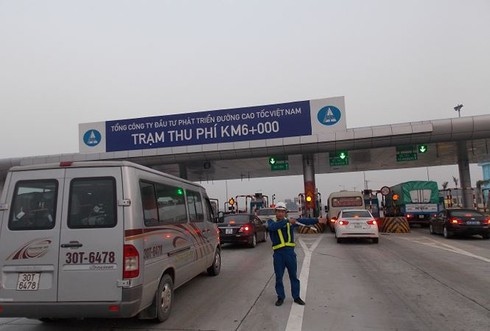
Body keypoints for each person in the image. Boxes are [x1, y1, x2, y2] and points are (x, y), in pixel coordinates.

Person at [267, 202, 306, 306]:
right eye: (278, 211)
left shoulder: (290, 222)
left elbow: (303, 221)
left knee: (293, 276)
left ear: (285, 213)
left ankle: (296, 297)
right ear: (275, 212)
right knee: (279, 276)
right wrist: (287, 221)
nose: (280, 213)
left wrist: (317, 220)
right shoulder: (271, 222)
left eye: (282, 211)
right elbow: (273, 228)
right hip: (278, 254)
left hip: (289, 253)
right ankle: (280, 297)